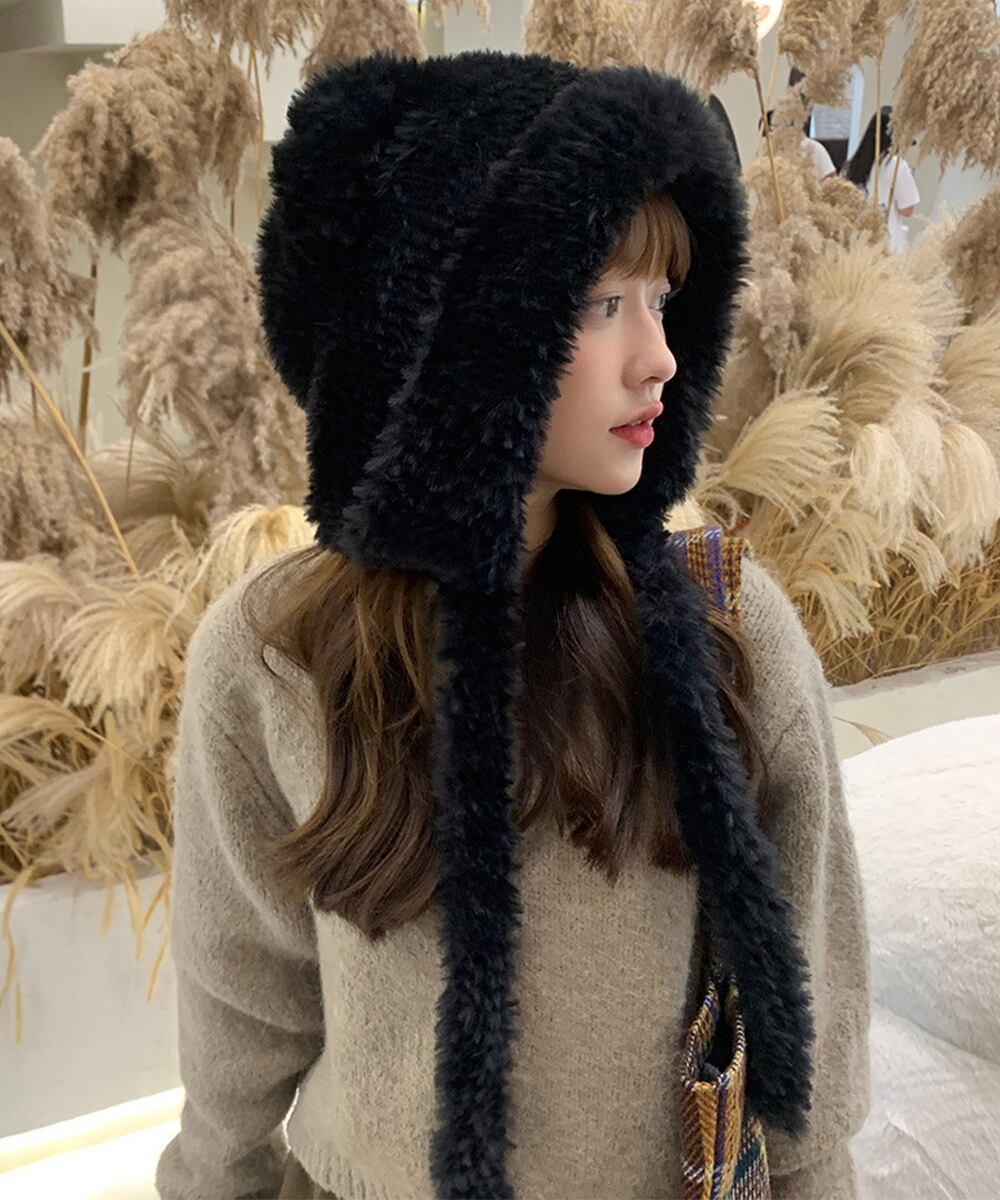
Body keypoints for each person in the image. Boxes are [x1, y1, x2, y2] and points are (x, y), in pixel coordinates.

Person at [155, 50, 872, 1200]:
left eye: (661, 299)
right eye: (600, 304)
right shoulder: (271, 657)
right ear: (447, 327)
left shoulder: (725, 630)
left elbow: (805, 1037)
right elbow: (240, 1013)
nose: (659, 357)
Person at [843, 105, 921, 253]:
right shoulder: (897, 165)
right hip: (887, 245)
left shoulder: (852, 164)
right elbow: (907, 210)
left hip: (856, 245)